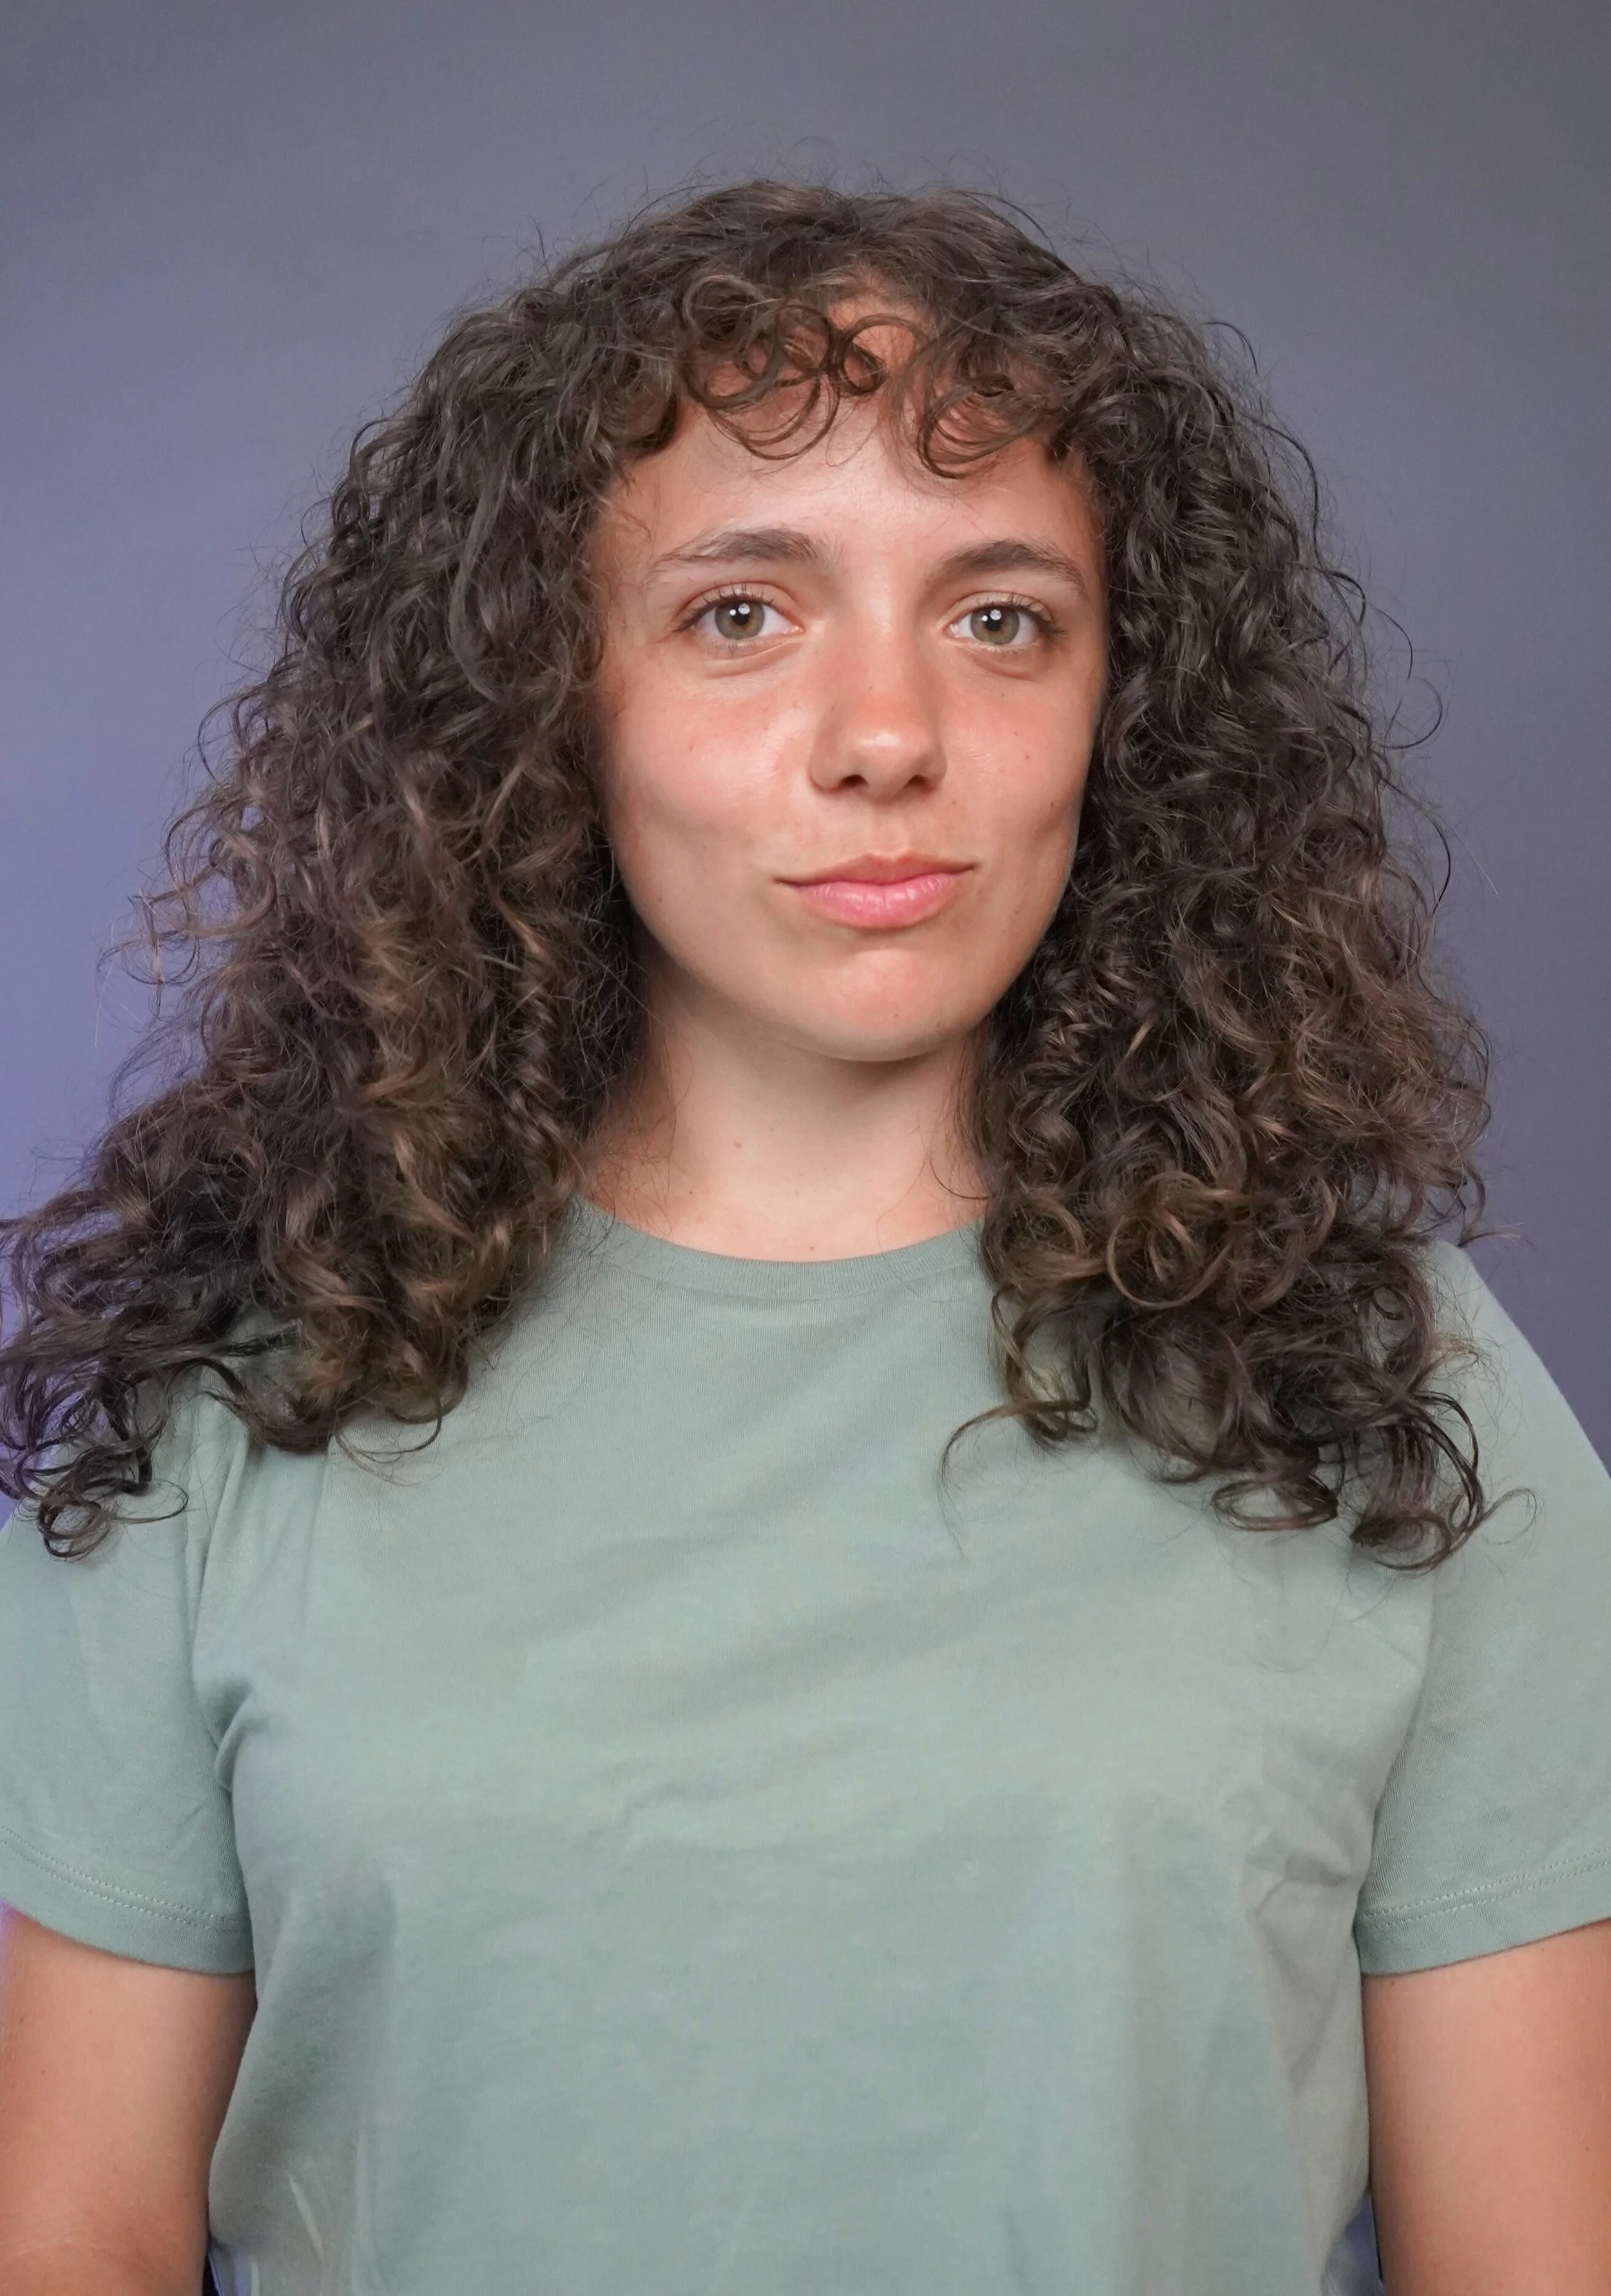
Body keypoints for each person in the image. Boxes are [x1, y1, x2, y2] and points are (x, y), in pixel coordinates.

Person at [0, 179, 1606, 2296]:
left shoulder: (1388, 1390)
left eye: (999, 619)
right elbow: (75, 2241)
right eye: (741, 613)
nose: (887, 740)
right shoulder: (236, 1385)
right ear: (544, 698)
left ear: (1124, 707)